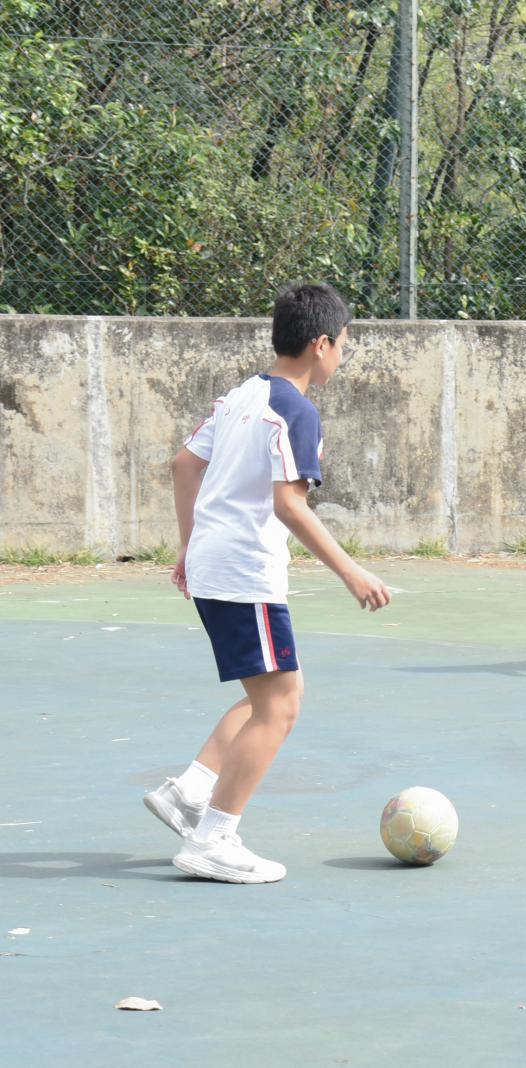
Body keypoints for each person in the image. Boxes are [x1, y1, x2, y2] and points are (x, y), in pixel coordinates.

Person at [143, 282, 391, 883]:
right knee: (281, 705)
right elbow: (289, 503)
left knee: (268, 694)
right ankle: (213, 838)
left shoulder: (242, 395)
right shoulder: (296, 410)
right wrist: (352, 571)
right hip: (243, 572)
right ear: (321, 344)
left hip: (215, 564)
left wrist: (189, 544)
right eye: (344, 344)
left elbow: (184, 464)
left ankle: (191, 790)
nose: (343, 356)